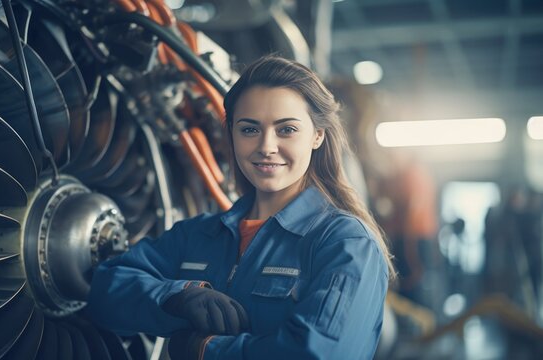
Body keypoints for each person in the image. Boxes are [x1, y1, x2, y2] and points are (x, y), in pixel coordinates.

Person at [87, 56, 394, 359]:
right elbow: (105, 289)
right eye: (249, 129)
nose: (266, 146)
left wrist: (203, 350)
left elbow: (317, 354)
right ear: (231, 134)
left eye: (286, 129)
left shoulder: (346, 243)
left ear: (317, 135)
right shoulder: (199, 234)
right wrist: (177, 297)